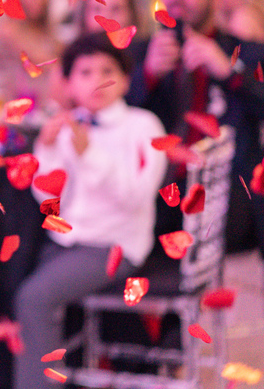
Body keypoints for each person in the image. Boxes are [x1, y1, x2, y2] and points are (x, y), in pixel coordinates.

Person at [126, 0, 264, 274]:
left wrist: (231, 75)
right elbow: (112, 121)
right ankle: (160, 318)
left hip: (228, 197)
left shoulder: (249, 52)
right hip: (157, 192)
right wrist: (146, 77)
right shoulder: (141, 53)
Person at [13, 33, 166, 389]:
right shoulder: (71, 126)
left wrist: (89, 154)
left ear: (126, 79)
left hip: (113, 245)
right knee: (9, 279)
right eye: (84, 72)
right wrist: (47, 151)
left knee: (33, 297)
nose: (97, 80)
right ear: (69, 83)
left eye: (107, 70)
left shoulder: (143, 128)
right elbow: (52, 204)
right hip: (70, 240)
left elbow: (135, 196)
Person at [0, 0, 64, 109]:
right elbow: (38, 62)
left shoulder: (43, 28)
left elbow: (60, 52)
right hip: (10, 103)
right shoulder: (8, 29)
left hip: (43, 104)